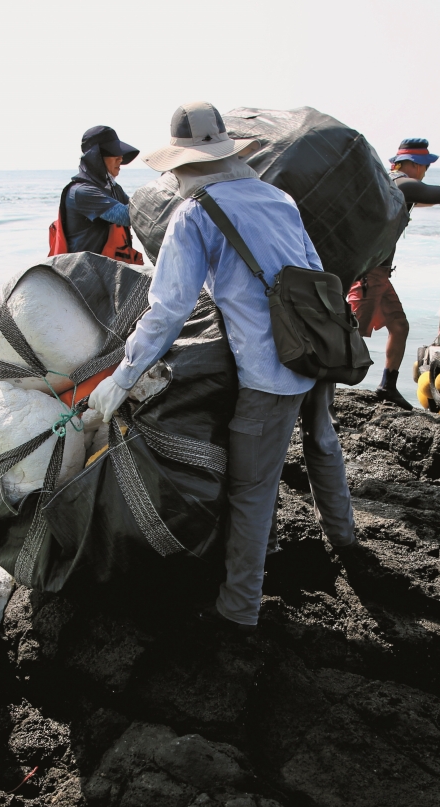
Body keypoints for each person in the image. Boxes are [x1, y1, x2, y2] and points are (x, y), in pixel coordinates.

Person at [86, 102, 356, 631]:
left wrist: (122, 378)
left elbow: (168, 310)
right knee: (322, 442)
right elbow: (316, 273)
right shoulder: (278, 198)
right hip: (317, 350)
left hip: (270, 372)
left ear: (183, 164)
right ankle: (345, 539)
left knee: (251, 489)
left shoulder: (194, 214)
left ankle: (239, 608)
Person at [348, 139, 440, 409]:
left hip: (377, 273)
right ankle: (321, 397)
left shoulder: (391, 183)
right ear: (411, 164)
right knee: (349, 336)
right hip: (367, 275)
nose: (425, 171)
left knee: (399, 326)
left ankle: (387, 385)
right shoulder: (403, 185)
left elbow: (431, 195)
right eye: (424, 166)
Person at [51, 125, 144, 263]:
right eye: (114, 153)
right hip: (82, 272)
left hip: (105, 269)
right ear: (96, 157)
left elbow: (138, 210)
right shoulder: (81, 192)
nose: (120, 158)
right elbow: (128, 216)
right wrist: (155, 192)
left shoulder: (113, 188)